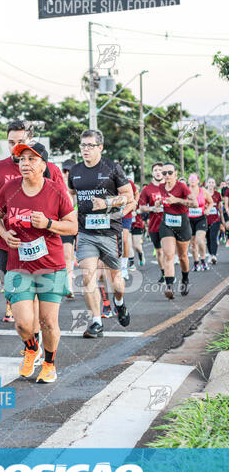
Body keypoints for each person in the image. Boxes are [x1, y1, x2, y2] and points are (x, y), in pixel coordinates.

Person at [0, 142, 77, 383]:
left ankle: (49, 364)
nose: (25, 163)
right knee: (22, 323)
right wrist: (3, 234)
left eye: (31, 159)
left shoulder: (56, 191)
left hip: (50, 265)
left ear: (44, 164)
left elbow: (72, 225)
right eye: (22, 159)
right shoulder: (9, 188)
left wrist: (49, 224)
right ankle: (31, 348)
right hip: (19, 266)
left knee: (48, 322)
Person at [0, 120, 65, 327]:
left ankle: (37, 345)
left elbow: (64, 206)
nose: (15, 146)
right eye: (10, 142)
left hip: (44, 248)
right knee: (21, 303)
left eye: (20, 141)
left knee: (38, 304)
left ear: (30, 141)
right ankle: (30, 339)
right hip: (11, 244)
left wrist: (51, 224)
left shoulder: (48, 167)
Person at [68, 129, 133, 338]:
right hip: (86, 232)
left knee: (116, 282)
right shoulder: (76, 171)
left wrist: (106, 202)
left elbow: (127, 197)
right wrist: (69, 210)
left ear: (100, 147)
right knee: (88, 276)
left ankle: (119, 303)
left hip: (110, 232)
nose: (85, 149)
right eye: (83, 145)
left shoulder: (112, 168)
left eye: (90, 146)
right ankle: (96, 322)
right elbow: (71, 194)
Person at [156, 162, 196, 299]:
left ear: (176, 174)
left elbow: (194, 203)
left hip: (182, 223)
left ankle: (185, 278)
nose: (167, 175)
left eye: (170, 173)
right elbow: (161, 201)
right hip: (167, 223)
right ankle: (169, 287)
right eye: (164, 173)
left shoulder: (182, 187)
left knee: (183, 256)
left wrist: (177, 200)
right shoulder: (160, 187)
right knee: (168, 255)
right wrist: (158, 203)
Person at [139, 162, 165, 283]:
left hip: (169, 224)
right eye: (156, 170)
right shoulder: (147, 189)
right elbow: (142, 207)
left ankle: (170, 275)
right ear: (152, 172)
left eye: (160, 170)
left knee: (168, 251)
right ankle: (164, 273)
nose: (158, 172)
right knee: (159, 251)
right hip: (154, 224)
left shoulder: (169, 187)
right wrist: (153, 208)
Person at [187, 173, 213, 271]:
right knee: (193, 243)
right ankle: (196, 262)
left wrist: (208, 210)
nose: (192, 180)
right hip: (189, 220)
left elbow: (210, 202)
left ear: (198, 180)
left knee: (200, 240)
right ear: (188, 180)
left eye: (194, 178)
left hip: (201, 218)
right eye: (190, 178)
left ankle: (203, 260)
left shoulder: (204, 191)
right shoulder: (185, 191)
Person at [61, 159, 76, 298]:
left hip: (83, 225)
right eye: (65, 171)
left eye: (69, 171)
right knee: (67, 255)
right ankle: (69, 286)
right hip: (67, 225)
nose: (67, 173)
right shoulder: (59, 186)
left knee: (86, 259)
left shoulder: (80, 184)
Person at [121, 179, 138, 280]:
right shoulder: (106, 181)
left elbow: (136, 193)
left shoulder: (128, 182)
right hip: (111, 215)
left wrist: (134, 203)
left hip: (126, 215)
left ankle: (124, 267)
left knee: (124, 239)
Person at [206, 177, 224, 264]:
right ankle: (210, 254)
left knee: (213, 237)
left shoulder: (217, 194)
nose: (211, 184)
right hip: (205, 220)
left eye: (212, 182)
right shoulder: (204, 194)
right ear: (207, 184)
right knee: (208, 238)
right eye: (209, 182)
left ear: (214, 184)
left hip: (215, 220)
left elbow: (220, 208)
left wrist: (223, 221)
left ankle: (214, 255)